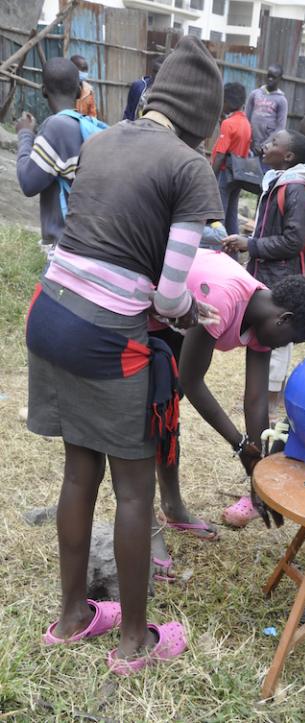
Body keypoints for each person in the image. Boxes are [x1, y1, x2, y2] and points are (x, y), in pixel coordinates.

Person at [25, 36, 225, 674]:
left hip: (49, 312)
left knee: (79, 474)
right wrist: (193, 312)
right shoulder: (190, 168)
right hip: (108, 337)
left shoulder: (101, 139)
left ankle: (73, 617)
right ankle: (136, 640)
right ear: (204, 116)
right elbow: (167, 298)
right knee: (134, 492)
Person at [150, 249, 305, 535]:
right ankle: (146, 520)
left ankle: (172, 507)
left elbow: (256, 402)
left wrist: (259, 473)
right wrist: (239, 445)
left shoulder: (264, 317)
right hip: (146, 307)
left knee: (164, 412)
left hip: (177, 317)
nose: (286, 347)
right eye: (291, 341)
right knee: (153, 413)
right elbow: (192, 380)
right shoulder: (223, 300)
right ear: (284, 319)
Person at [223, 129, 305, 416]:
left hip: (282, 277)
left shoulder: (294, 189)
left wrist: (250, 244)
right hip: (267, 272)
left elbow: (293, 241)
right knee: (263, 336)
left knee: (279, 335)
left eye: (274, 143)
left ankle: (271, 402)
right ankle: (259, 396)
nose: (265, 145)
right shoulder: (277, 182)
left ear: (288, 156)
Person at [16, 57, 84, 253]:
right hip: (85, 241)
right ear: (79, 90)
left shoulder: (56, 127)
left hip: (65, 248)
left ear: (44, 90)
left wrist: (25, 134)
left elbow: (28, 183)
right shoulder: (86, 126)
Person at [211, 82, 251, 235]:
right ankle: (232, 252)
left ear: (228, 102)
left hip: (223, 174)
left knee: (218, 215)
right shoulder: (246, 123)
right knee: (231, 216)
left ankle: (216, 248)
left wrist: (212, 177)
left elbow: (220, 155)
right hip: (238, 175)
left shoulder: (228, 124)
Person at [245, 64, 288, 158]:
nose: (270, 79)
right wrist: (249, 139)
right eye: (269, 76)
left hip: (268, 146)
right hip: (250, 143)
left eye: (274, 77)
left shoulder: (281, 100)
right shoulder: (255, 94)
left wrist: (265, 144)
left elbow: (280, 127)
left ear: (280, 79)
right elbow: (246, 118)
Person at [122, 56, 165, 121]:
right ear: (151, 70)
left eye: (159, 72)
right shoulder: (138, 86)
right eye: (155, 71)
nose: (156, 75)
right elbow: (128, 112)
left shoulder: (167, 93)